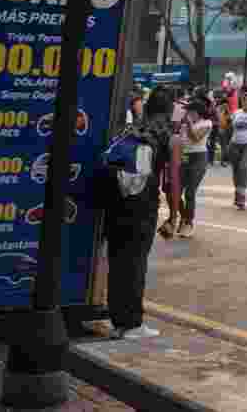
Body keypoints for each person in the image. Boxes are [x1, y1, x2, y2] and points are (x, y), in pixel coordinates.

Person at [104, 86, 174, 339]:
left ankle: (117, 321)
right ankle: (133, 324)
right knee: (136, 263)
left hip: (117, 201)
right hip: (142, 207)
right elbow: (171, 182)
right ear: (169, 109)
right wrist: (174, 215)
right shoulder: (167, 135)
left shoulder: (132, 129)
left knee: (117, 260)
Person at [175, 97, 212, 238]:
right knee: (176, 192)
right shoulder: (184, 123)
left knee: (190, 192)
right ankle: (184, 217)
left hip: (199, 158)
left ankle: (188, 223)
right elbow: (176, 135)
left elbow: (196, 137)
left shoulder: (206, 123)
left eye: (191, 111)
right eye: (188, 111)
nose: (189, 114)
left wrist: (188, 123)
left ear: (198, 112)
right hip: (184, 156)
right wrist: (178, 120)